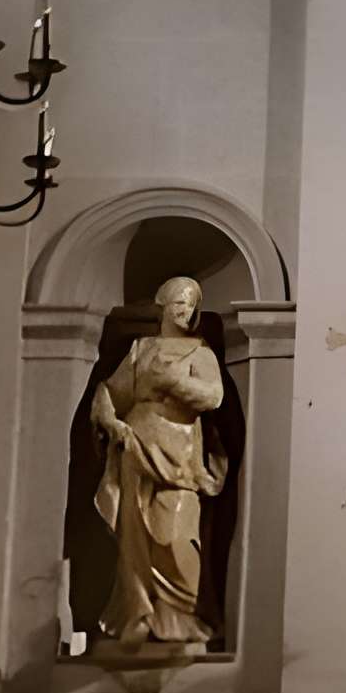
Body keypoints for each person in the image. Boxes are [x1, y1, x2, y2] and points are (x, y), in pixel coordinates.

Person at [86, 276, 230, 649]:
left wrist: (174, 383)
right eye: (179, 303)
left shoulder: (200, 353)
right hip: (136, 446)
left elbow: (213, 397)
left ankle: (180, 617)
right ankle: (139, 614)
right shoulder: (142, 349)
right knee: (133, 536)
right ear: (163, 307)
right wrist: (110, 420)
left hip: (179, 454)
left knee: (176, 536)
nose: (186, 311)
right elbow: (111, 391)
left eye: (191, 305)